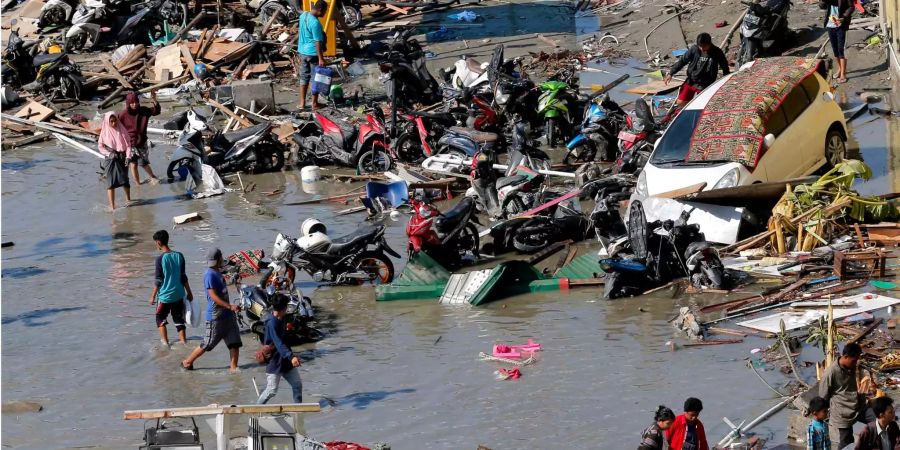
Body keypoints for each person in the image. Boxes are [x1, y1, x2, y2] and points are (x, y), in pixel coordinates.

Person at [182, 248, 242, 372]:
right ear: (218, 259)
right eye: (221, 257)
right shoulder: (209, 274)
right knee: (208, 343)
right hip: (216, 316)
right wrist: (230, 306)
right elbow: (213, 296)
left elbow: (227, 271)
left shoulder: (218, 272)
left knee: (234, 342)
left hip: (228, 315)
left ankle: (234, 369)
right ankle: (187, 362)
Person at [820, 343, 876, 449]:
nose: (855, 363)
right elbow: (823, 396)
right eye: (854, 360)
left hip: (858, 404)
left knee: (878, 420)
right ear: (845, 357)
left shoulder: (852, 365)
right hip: (842, 412)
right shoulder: (830, 373)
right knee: (846, 441)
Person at [256, 293, 303, 404]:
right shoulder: (272, 323)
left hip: (285, 361)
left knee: (297, 385)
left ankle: (298, 411)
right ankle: (256, 411)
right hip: (275, 361)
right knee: (271, 390)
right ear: (283, 308)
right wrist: (291, 357)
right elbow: (279, 343)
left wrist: (288, 328)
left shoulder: (281, 318)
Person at [149, 230, 193, 346]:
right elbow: (183, 277)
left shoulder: (160, 259)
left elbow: (158, 280)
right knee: (179, 319)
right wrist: (189, 292)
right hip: (179, 294)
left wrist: (152, 296)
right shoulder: (180, 256)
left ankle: (165, 344)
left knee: (160, 319)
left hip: (165, 297)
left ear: (158, 242)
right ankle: (184, 343)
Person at [664, 33, 730, 108]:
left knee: (701, 106)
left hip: (706, 85)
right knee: (680, 103)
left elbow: (725, 66)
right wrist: (671, 73)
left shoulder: (717, 52)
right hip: (691, 81)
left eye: (704, 46)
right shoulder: (694, 49)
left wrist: (727, 81)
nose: (702, 49)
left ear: (709, 44)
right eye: (700, 46)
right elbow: (682, 61)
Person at [118, 90, 161, 185]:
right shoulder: (122, 115)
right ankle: (137, 184)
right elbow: (117, 128)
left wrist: (154, 99)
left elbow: (156, 111)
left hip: (141, 142)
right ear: (128, 103)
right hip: (130, 144)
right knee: (133, 164)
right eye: (132, 103)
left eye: (136, 102)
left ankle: (153, 176)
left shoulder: (144, 111)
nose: (134, 104)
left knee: (144, 163)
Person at [98, 111, 133, 210]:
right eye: (111, 121)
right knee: (110, 184)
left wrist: (128, 157)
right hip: (110, 159)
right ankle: (112, 207)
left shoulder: (122, 130)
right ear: (107, 122)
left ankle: (128, 200)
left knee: (125, 180)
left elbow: (128, 145)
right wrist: (109, 154)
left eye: (115, 121)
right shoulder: (104, 132)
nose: (114, 123)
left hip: (122, 158)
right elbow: (100, 147)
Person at [297, 0, 327, 111]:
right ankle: (314, 104)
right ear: (319, 10)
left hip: (302, 51)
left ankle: (302, 103)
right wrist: (321, 58)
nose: (325, 13)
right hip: (313, 54)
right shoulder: (315, 23)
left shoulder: (304, 15)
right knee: (316, 79)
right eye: (324, 11)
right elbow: (317, 42)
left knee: (304, 77)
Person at [821, 0, 856, 83]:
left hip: (841, 25)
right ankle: (840, 69)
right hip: (830, 25)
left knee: (841, 49)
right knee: (835, 50)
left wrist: (843, 17)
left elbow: (851, 7)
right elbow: (822, 6)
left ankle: (843, 74)